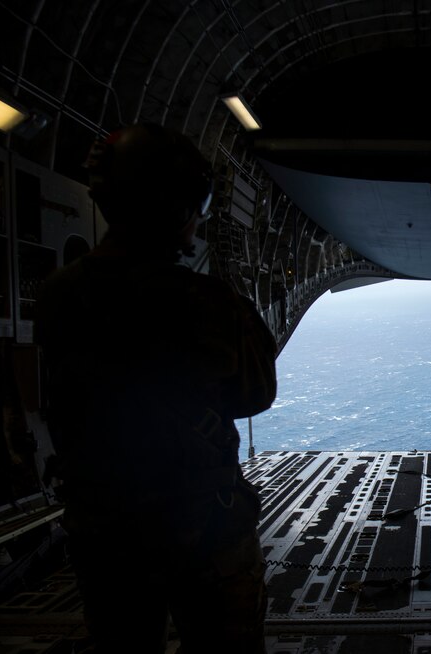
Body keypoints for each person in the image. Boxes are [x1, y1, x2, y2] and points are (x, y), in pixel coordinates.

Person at [35, 124, 277, 653]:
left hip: (105, 528)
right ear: (176, 208)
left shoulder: (57, 293)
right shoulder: (200, 299)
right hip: (201, 523)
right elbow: (254, 393)